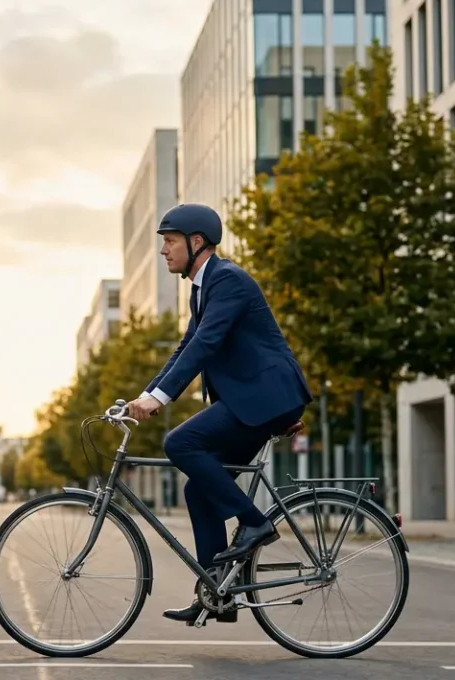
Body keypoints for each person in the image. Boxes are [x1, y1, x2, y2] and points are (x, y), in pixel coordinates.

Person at [125, 202, 313, 625]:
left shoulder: (228, 280)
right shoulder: (202, 288)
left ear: (197, 242)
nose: (163, 250)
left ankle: (255, 523)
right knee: (199, 492)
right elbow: (184, 349)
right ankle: (217, 594)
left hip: (267, 397)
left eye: (170, 241)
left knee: (180, 442)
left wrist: (161, 399)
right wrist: (144, 395)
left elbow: (205, 344)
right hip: (254, 401)